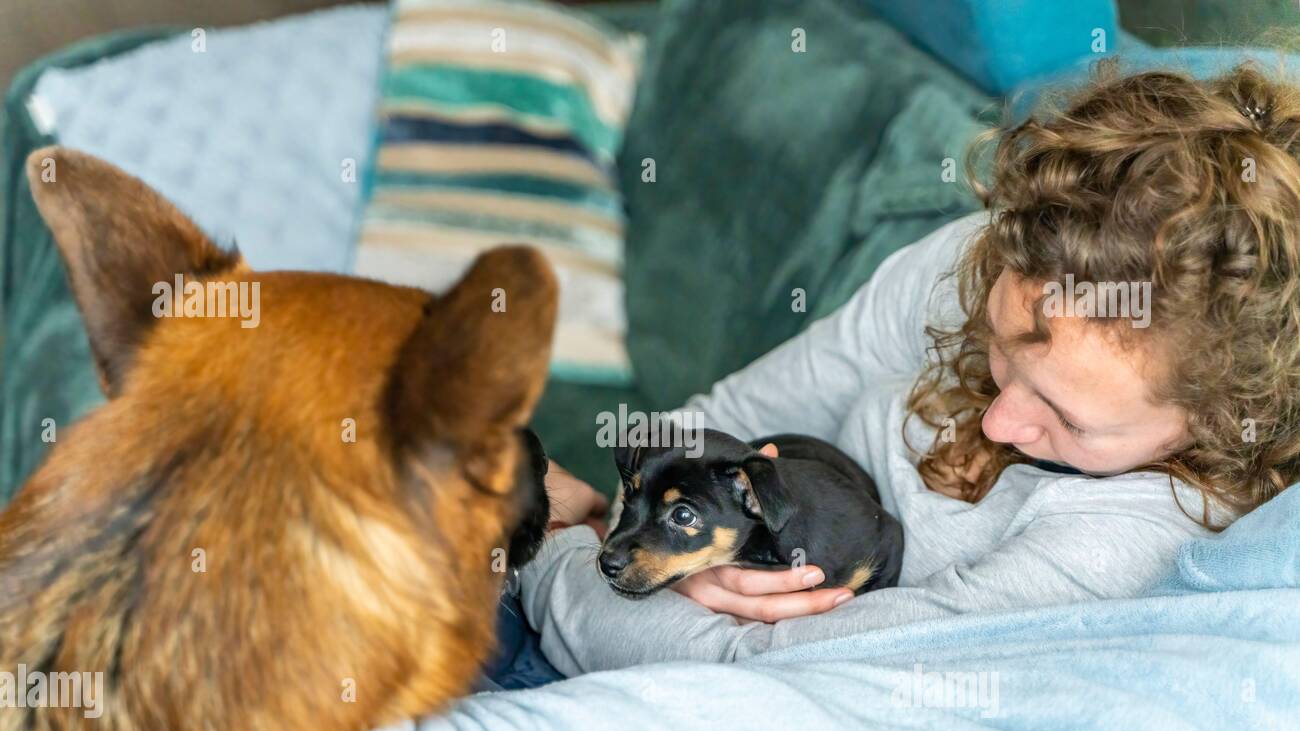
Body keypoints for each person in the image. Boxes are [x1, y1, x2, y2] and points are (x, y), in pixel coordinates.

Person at [490, 64, 1300, 682]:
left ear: (1221, 420)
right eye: (1003, 345)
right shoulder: (981, 260)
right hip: (614, 593)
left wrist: (554, 551)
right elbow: (714, 424)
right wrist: (667, 546)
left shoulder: (1135, 537)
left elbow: (753, 671)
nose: (998, 421)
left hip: (628, 659)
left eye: (1071, 420)